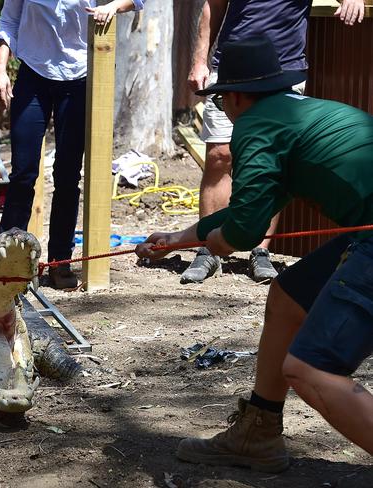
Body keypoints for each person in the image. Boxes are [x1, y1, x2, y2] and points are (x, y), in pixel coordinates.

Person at [136, 37, 373, 471]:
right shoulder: (297, 116)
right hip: (366, 233)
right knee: (286, 298)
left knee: (309, 370)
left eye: (223, 97)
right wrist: (178, 237)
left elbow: (242, 231)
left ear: (236, 96)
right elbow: (251, 209)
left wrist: (221, 244)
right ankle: (258, 433)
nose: (224, 106)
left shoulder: (255, 125)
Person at [184, 0, 364, 284]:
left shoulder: (266, 124)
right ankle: (208, 249)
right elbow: (213, 6)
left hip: (283, 68)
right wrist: (199, 60)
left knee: (278, 165)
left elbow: (271, 191)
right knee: (220, 155)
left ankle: (259, 250)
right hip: (233, 66)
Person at [0, 0, 142, 289]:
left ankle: (60, 260)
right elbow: (8, 22)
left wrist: (113, 6)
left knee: (67, 175)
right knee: (23, 172)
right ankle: (8, 259)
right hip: (33, 73)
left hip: (78, 77)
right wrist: (0, 68)